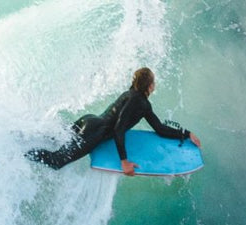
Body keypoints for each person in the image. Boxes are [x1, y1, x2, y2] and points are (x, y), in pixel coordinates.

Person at [26, 67, 201, 175]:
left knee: (55, 140)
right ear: (149, 86)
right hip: (94, 132)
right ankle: (21, 155)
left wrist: (185, 134)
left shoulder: (132, 96)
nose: (155, 85)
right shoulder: (139, 102)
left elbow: (159, 128)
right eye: (153, 82)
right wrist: (124, 161)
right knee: (57, 161)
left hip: (89, 120)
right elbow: (119, 129)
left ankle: (22, 138)